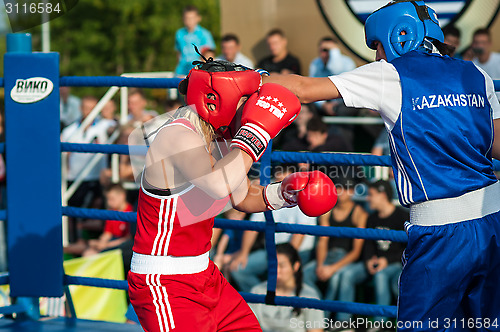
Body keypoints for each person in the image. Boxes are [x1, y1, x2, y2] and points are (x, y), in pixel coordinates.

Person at [264, 0, 500, 329]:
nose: (376, 55)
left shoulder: (390, 74)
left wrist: (248, 79)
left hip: (441, 235)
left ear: (398, 36)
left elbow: (304, 88)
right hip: (492, 221)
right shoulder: (476, 74)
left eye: (377, 45)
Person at [127, 59, 336, 332]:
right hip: (164, 282)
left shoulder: (219, 137)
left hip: (204, 274)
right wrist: (255, 134)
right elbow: (217, 185)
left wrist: (286, 193)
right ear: (216, 101)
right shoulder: (177, 135)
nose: (250, 107)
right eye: (244, 100)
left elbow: (242, 195)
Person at [230, 165, 318, 292]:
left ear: (294, 175)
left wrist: (287, 259)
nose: (281, 176)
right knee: (239, 269)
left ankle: (310, 307)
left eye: (286, 172)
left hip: (297, 253)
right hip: (271, 250)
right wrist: (243, 253)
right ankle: (264, 298)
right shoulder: (272, 191)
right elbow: (253, 226)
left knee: (297, 281)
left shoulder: (303, 193)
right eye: (279, 172)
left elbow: (300, 233)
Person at [302, 178, 367, 323]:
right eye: (338, 187)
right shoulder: (327, 210)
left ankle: (331, 321)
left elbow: (356, 252)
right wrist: (320, 265)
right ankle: (318, 308)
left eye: (344, 188)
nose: (339, 191)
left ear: (352, 191)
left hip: (345, 259)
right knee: (303, 275)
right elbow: (322, 241)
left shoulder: (359, 213)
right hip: (327, 257)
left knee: (337, 278)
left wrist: (332, 269)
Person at [249, 243, 324, 332]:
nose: (277, 270)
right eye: (273, 266)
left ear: (295, 266)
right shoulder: (257, 291)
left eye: (282, 266)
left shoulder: (309, 295)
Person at [364, 180, 407, 323]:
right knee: (346, 275)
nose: (367, 198)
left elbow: (408, 249)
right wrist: (369, 259)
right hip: (375, 263)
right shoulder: (372, 218)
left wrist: (387, 260)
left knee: (383, 277)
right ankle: (341, 322)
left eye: (371, 194)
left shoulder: (402, 217)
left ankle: (379, 323)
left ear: (382, 195)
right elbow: (368, 244)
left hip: (396, 264)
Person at [309, 37, 356, 117]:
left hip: (343, 103)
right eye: (323, 50)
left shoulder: (347, 63)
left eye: (330, 50)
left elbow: (336, 70)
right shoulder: (315, 64)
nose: (326, 54)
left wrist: (334, 55)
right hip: (323, 103)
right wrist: (324, 105)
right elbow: (311, 88)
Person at [83, 183, 133, 257]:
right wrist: (100, 243)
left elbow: (128, 239)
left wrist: (106, 245)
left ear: (122, 196)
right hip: (112, 243)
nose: (109, 202)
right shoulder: (111, 212)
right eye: (107, 199)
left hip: (123, 247)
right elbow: (107, 234)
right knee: (88, 252)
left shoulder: (131, 212)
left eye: (112, 199)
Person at [174, 5, 216, 76]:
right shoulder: (179, 34)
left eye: (192, 18)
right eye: (187, 18)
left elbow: (209, 56)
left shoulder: (205, 34)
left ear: (198, 18)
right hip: (182, 70)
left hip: (198, 71)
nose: (189, 21)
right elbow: (178, 54)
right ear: (183, 19)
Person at [470, 28, 500, 100]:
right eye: (477, 42)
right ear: (473, 44)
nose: (480, 46)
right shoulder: (471, 65)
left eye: (483, 43)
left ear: (490, 44)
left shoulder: (498, 60)